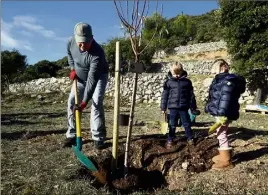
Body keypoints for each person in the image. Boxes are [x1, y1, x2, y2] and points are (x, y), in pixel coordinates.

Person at [63, 22, 109, 149]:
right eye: (80, 42)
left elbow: (92, 80)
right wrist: (73, 68)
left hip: (98, 78)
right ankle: (72, 134)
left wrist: (84, 103)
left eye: (85, 42)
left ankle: (98, 137)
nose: (82, 46)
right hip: (79, 79)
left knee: (96, 103)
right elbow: (69, 55)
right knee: (71, 101)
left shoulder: (97, 53)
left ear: (92, 38)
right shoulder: (70, 42)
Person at [205, 59, 246, 170]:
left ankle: (226, 161)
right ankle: (223, 155)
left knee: (221, 134)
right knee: (220, 133)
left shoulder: (227, 81)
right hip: (221, 113)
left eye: (215, 72)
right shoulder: (222, 80)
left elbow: (225, 98)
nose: (214, 75)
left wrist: (222, 114)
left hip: (223, 114)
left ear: (223, 68)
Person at [161, 62, 197, 149]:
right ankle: (170, 139)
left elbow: (191, 96)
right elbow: (164, 96)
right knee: (172, 124)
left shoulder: (187, 82)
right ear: (171, 72)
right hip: (173, 108)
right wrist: (163, 107)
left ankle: (189, 138)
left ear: (182, 71)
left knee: (186, 123)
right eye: (174, 74)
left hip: (184, 107)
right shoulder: (168, 83)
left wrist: (193, 107)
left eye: (178, 73)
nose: (177, 76)